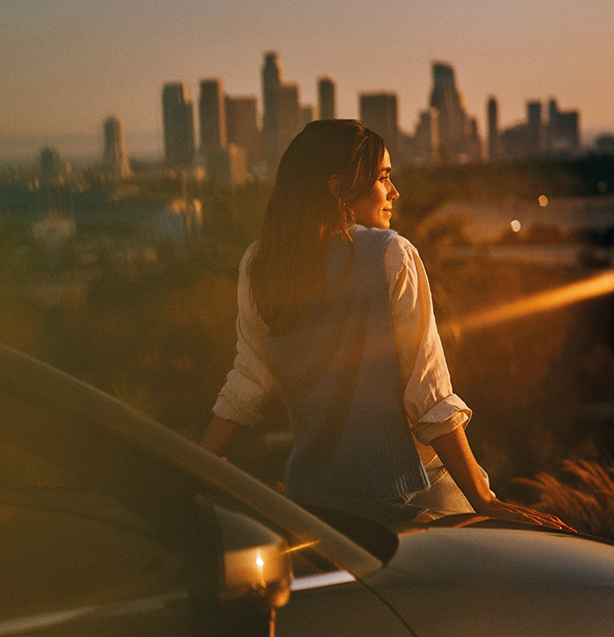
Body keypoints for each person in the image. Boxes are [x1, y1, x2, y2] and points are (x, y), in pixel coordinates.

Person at [201, 120, 571, 530]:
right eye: (383, 178)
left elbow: (247, 381)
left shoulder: (261, 264)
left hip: (317, 505)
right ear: (338, 187)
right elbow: (429, 396)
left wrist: (197, 463)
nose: (394, 192)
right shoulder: (390, 254)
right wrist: (483, 497)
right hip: (417, 496)